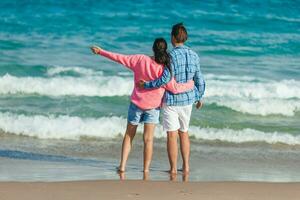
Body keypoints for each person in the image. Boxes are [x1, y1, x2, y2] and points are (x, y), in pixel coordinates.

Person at [90, 38, 194, 173]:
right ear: (165, 50)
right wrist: (191, 84)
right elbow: (174, 88)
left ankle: (122, 166)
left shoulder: (140, 59)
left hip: (136, 104)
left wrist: (101, 52)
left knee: (129, 135)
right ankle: (145, 169)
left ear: (153, 48)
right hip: (153, 107)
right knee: (148, 139)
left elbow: (119, 58)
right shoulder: (165, 68)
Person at [138, 23, 205, 174]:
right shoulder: (195, 55)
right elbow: (199, 78)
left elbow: (165, 78)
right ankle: (186, 166)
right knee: (184, 132)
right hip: (188, 100)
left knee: (171, 135)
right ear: (185, 37)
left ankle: (173, 169)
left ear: (173, 38)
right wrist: (199, 96)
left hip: (172, 100)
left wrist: (147, 85)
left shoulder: (171, 56)